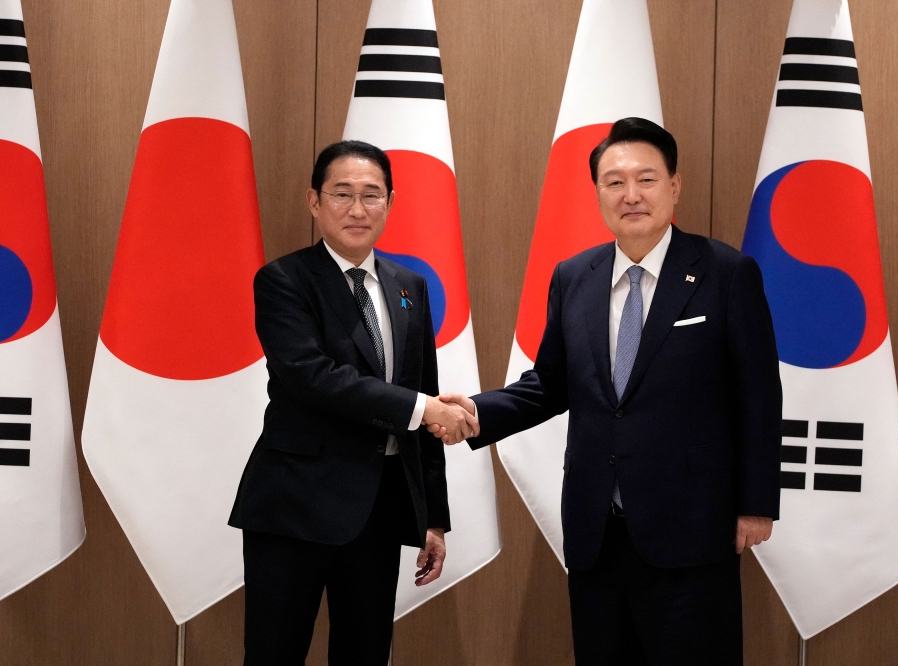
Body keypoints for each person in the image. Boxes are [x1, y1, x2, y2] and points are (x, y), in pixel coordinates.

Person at [434, 118, 782, 664]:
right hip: (597, 530)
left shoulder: (726, 273)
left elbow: (759, 399)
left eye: (646, 179)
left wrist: (755, 504)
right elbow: (550, 383)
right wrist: (477, 412)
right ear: (597, 192)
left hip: (692, 528)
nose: (631, 195)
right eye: (614, 182)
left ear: (675, 186)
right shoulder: (575, 276)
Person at [228, 140, 476, 665]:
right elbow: (312, 377)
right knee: (275, 652)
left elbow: (423, 391)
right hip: (294, 506)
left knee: (365, 654)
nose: (358, 209)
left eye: (372, 195)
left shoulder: (410, 286)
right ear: (314, 202)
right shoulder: (284, 281)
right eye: (342, 194)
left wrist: (432, 516)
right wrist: (423, 408)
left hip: (379, 512)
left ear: (390, 202)